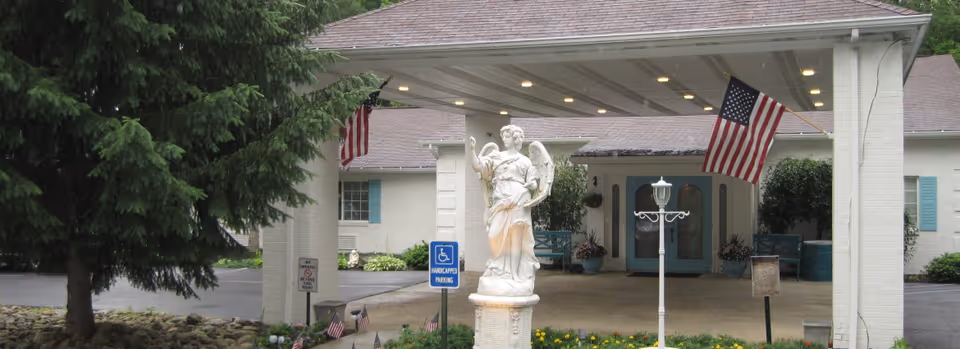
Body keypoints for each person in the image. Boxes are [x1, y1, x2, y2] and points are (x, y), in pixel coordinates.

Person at [468, 125, 552, 297]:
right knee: (494, 234)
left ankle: (514, 275)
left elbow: (534, 183)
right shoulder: (495, 156)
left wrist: (531, 185)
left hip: (519, 199)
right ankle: (500, 269)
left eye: (507, 136)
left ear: (515, 138)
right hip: (501, 201)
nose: (504, 139)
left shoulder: (525, 161)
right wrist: (471, 150)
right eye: (503, 136)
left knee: (516, 239)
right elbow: (478, 167)